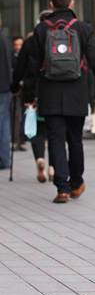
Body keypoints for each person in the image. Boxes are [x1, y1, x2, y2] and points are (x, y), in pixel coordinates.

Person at [25, 0, 95, 203]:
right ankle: (77, 183)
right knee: (75, 139)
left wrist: (28, 95)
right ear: (71, 3)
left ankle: (62, 188)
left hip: (49, 92)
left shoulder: (41, 30)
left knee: (56, 139)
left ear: (51, 4)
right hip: (77, 92)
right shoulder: (83, 29)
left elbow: (32, 67)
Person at [11, 12, 54, 183]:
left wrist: (14, 86)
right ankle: (53, 166)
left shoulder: (29, 42)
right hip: (53, 90)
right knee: (54, 130)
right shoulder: (60, 38)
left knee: (36, 129)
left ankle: (39, 160)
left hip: (31, 91)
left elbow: (19, 68)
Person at [11, 35, 26, 152]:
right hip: (15, 89)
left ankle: (21, 139)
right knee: (16, 115)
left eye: (20, 45)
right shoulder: (12, 57)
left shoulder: (26, 57)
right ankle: (15, 139)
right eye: (16, 45)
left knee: (22, 115)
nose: (18, 47)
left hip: (24, 89)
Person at [0, 26, 12, 171]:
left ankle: (3, 159)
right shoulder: (5, 39)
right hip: (5, 86)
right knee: (4, 123)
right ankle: (4, 158)